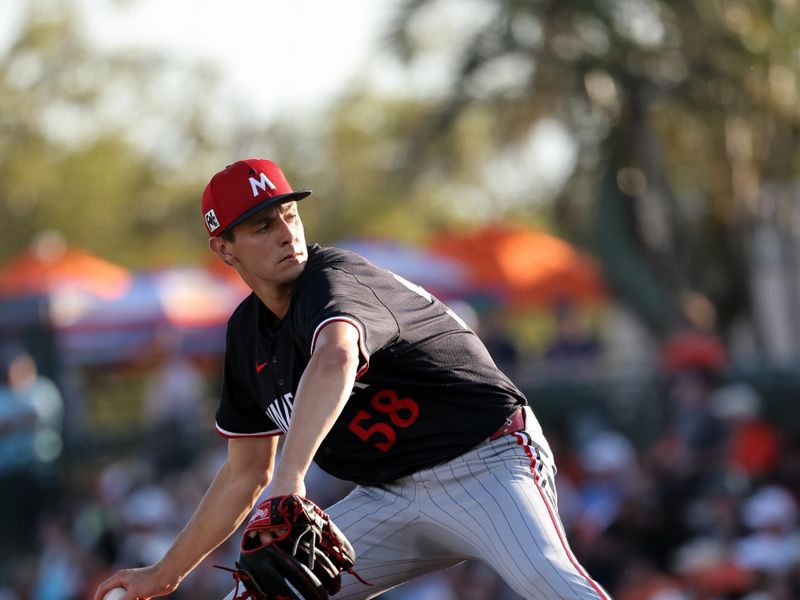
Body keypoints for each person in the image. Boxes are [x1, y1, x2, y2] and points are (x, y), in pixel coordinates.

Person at [95, 159, 610, 600]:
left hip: (487, 464)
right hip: (390, 497)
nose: (284, 232)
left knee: (554, 586)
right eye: (260, 226)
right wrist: (166, 573)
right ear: (225, 248)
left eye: (287, 214)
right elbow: (244, 472)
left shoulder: (334, 277)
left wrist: (290, 480)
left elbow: (336, 356)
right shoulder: (246, 336)